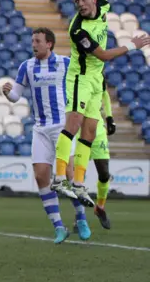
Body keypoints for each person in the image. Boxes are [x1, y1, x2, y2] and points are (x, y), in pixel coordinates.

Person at [50, 0, 150, 207]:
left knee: (90, 132)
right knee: (73, 124)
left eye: (84, 0)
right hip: (80, 78)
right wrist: (132, 45)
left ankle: (79, 183)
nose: (81, 4)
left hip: (96, 81)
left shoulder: (102, 5)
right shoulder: (78, 30)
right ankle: (59, 177)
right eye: (77, 3)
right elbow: (103, 55)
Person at [3, 27, 84, 244]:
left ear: (49, 44)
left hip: (62, 127)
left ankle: (81, 217)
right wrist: (8, 93)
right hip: (40, 129)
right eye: (32, 41)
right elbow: (16, 96)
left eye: (37, 41)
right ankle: (59, 226)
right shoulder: (26, 66)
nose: (34, 44)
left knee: (68, 174)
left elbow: (82, 84)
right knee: (41, 176)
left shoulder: (65, 64)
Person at [68, 84, 115, 233]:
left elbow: (104, 94)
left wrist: (109, 117)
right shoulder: (74, 71)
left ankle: (100, 207)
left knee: (104, 173)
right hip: (78, 130)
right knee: (77, 178)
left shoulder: (97, 70)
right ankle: (79, 216)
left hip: (97, 128)